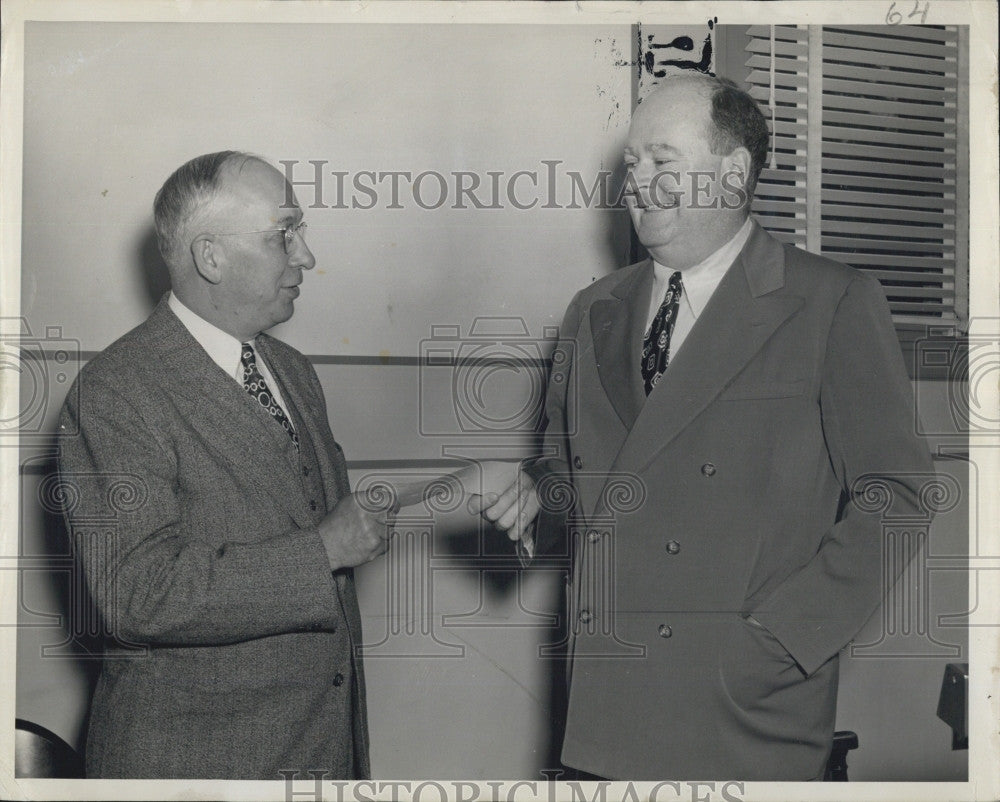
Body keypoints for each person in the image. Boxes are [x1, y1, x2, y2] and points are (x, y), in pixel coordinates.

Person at [478, 74, 936, 780]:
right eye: (631, 164)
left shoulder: (830, 301)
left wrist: (785, 638)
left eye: (663, 161)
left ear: (733, 173)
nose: (637, 183)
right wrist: (542, 496)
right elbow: (569, 472)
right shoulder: (591, 308)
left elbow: (898, 497)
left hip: (743, 710)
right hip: (603, 706)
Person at [57, 152, 395, 779]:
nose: (306, 256)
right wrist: (320, 551)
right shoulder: (116, 390)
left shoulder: (294, 373)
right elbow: (136, 595)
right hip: (192, 769)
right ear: (210, 256)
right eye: (283, 234)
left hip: (320, 757)